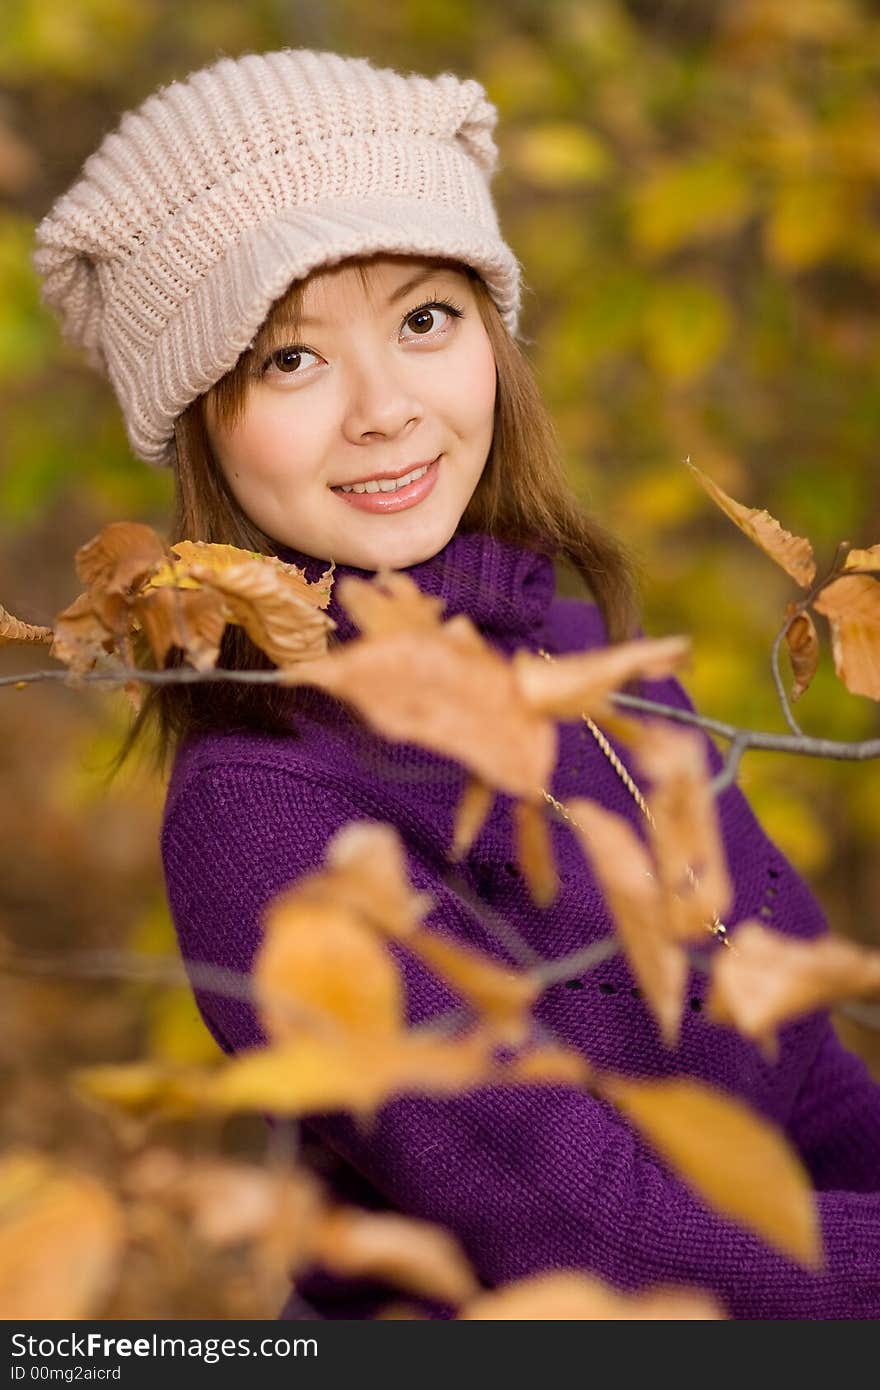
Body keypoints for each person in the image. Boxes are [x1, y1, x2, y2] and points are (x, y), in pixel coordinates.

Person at [32, 47, 880, 1320]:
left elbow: (811, 1082)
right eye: (289, 359)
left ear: (492, 337)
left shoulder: (585, 657)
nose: (383, 408)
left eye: (424, 319)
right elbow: (589, 1225)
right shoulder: (261, 807)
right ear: (201, 417)